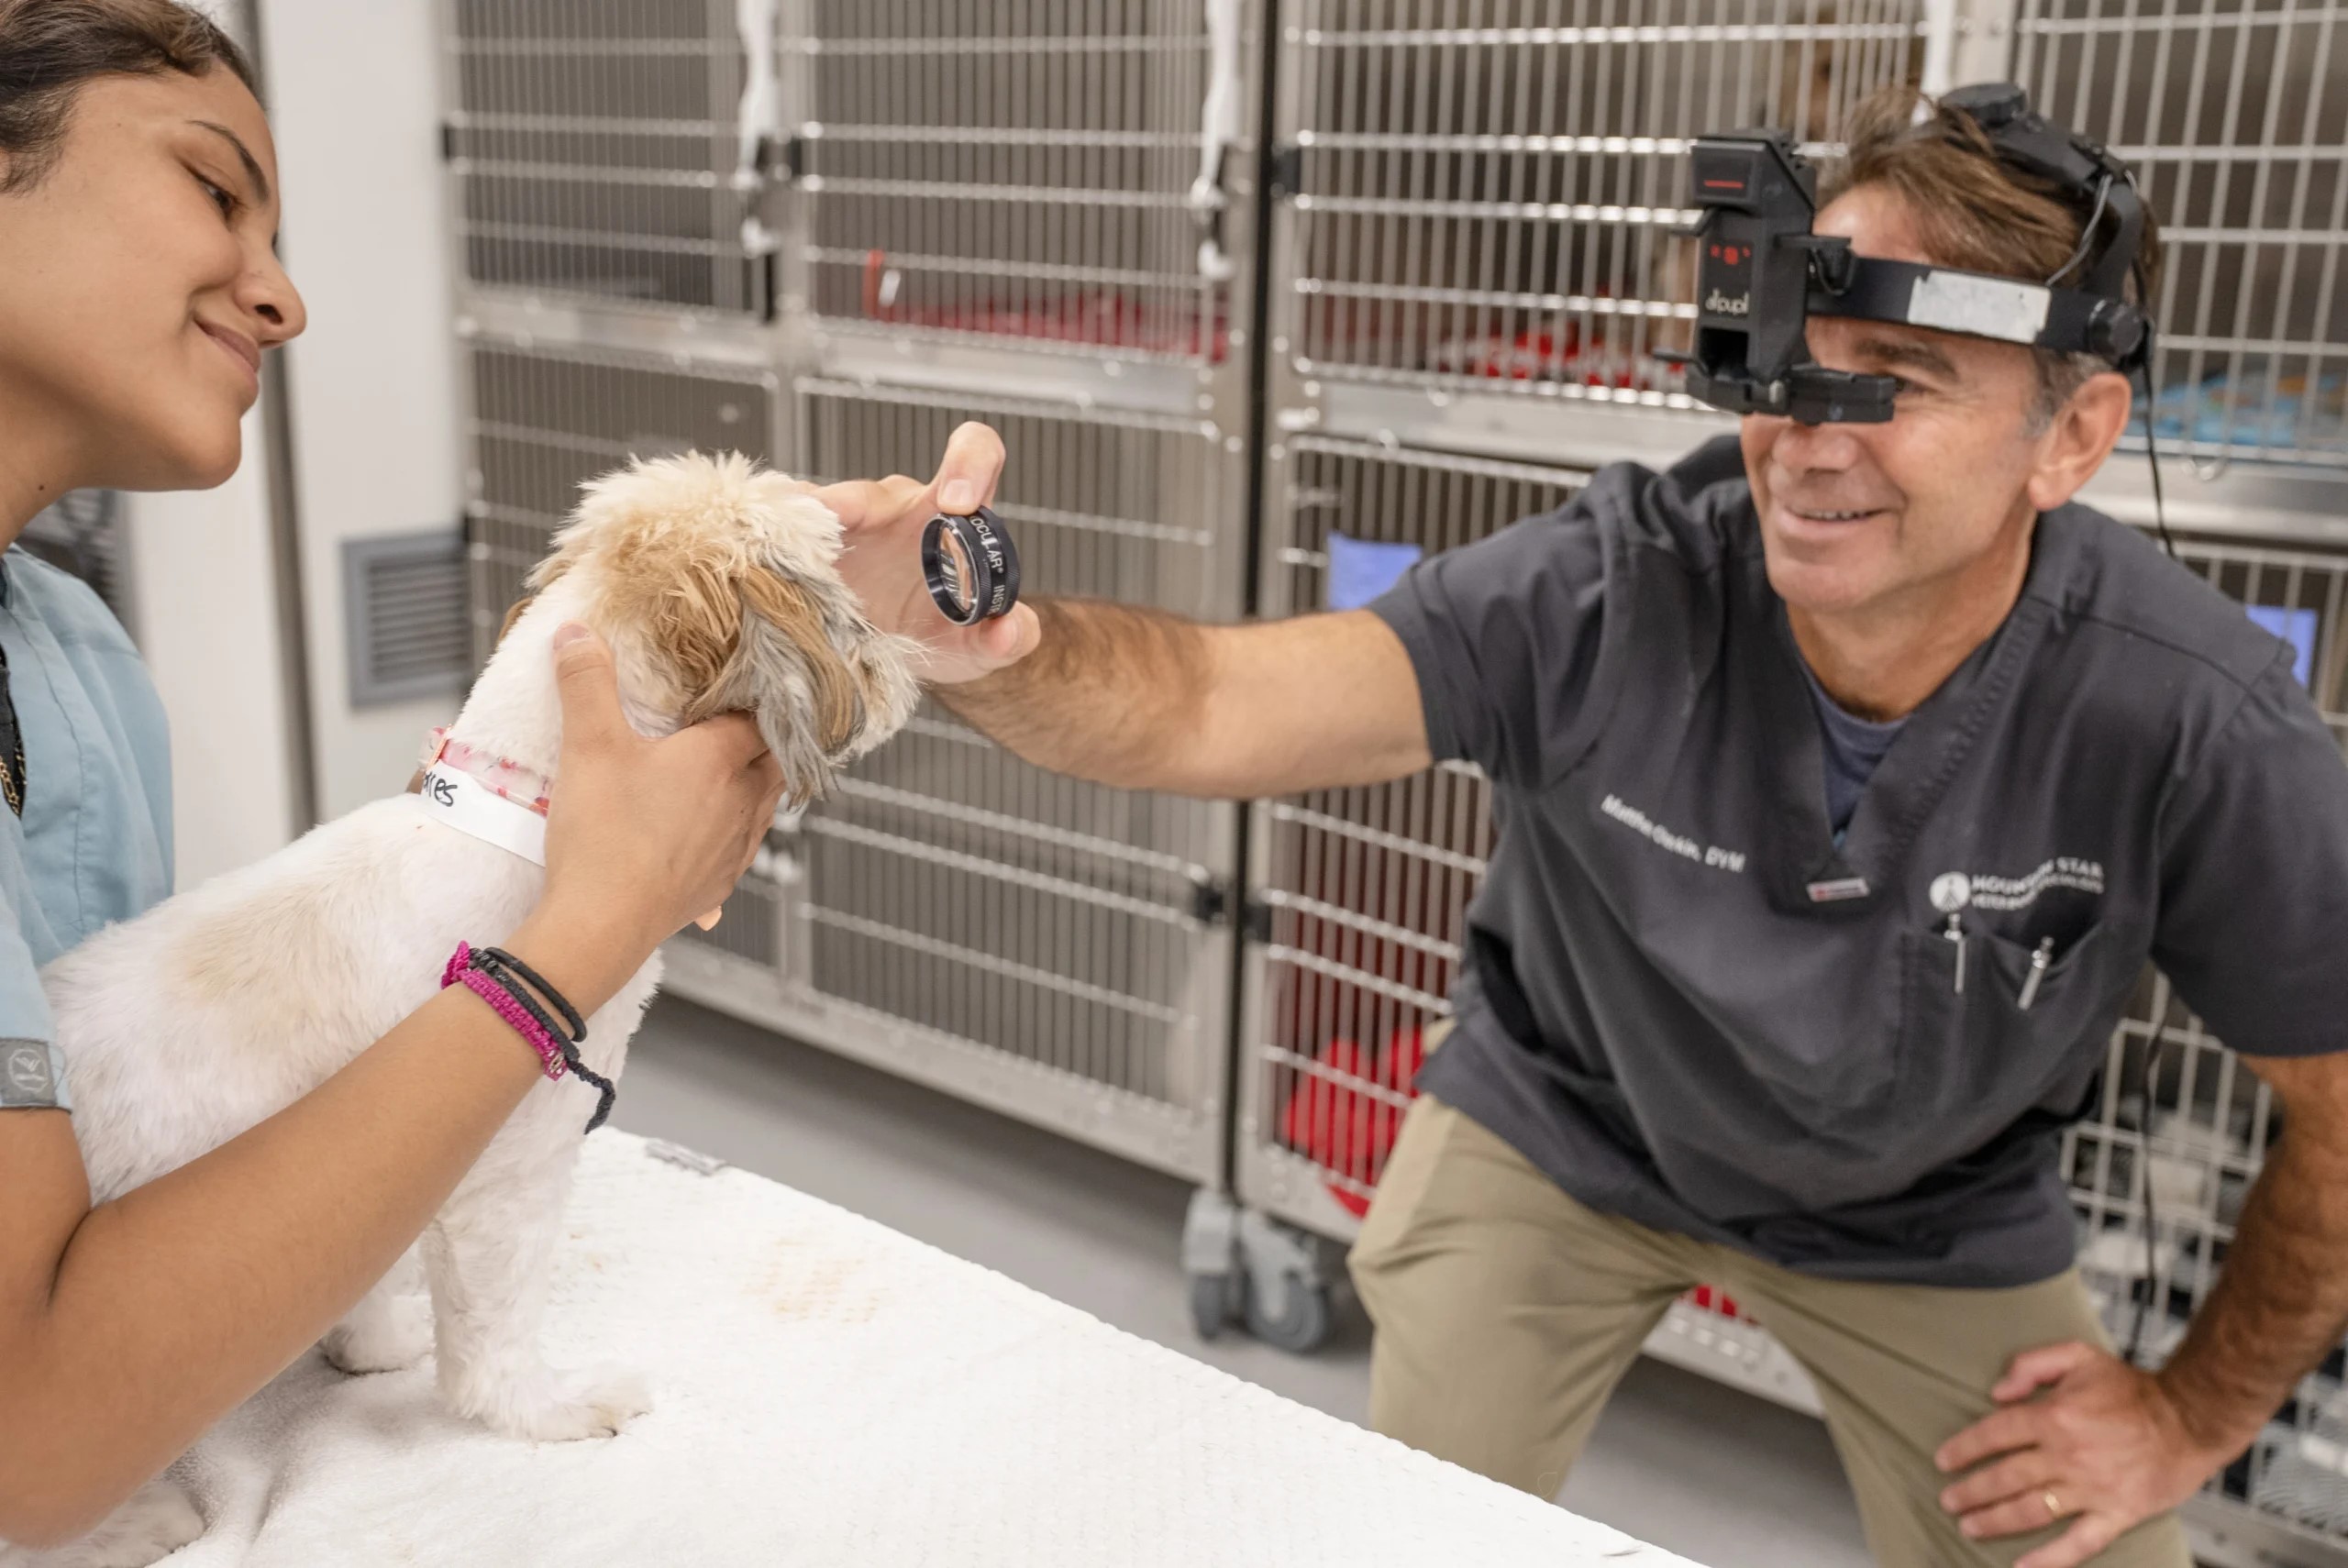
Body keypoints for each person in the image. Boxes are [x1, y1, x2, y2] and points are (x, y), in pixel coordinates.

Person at [825, 88, 2348, 1568]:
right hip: (1565, 1123)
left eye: (1898, 375)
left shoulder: (2193, 716)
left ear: (2073, 435)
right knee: (1413, 1521)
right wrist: (985, 635)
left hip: (1925, 1212)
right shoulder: (1617, 583)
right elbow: (1212, 704)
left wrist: (2185, 1420)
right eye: (1786, 366)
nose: (1809, 442)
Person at [0, 2, 969, 1546]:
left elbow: (75, 1198)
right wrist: (582, 934)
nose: (284, 293)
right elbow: (27, 1436)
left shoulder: (71, 655)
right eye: (213, 188)